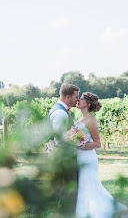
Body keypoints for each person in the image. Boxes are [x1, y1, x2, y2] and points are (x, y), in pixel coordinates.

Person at [75, 92, 128, 218]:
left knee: (90, 185)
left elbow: (97, 143)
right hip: (81, 157)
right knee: (82, 186)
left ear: (88, 104)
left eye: (82, 98)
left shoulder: (91, 119)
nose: (78, 100)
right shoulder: (81, 119)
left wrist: (80, 145)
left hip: (88, 156)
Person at [47, 83, 80, 216]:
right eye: (76, 97)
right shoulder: (60, 113)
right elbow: (59, 140)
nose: (78, 99)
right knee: (67, 194)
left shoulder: (61, 110)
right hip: (62, 159)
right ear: (68, 97)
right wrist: (76, 139)